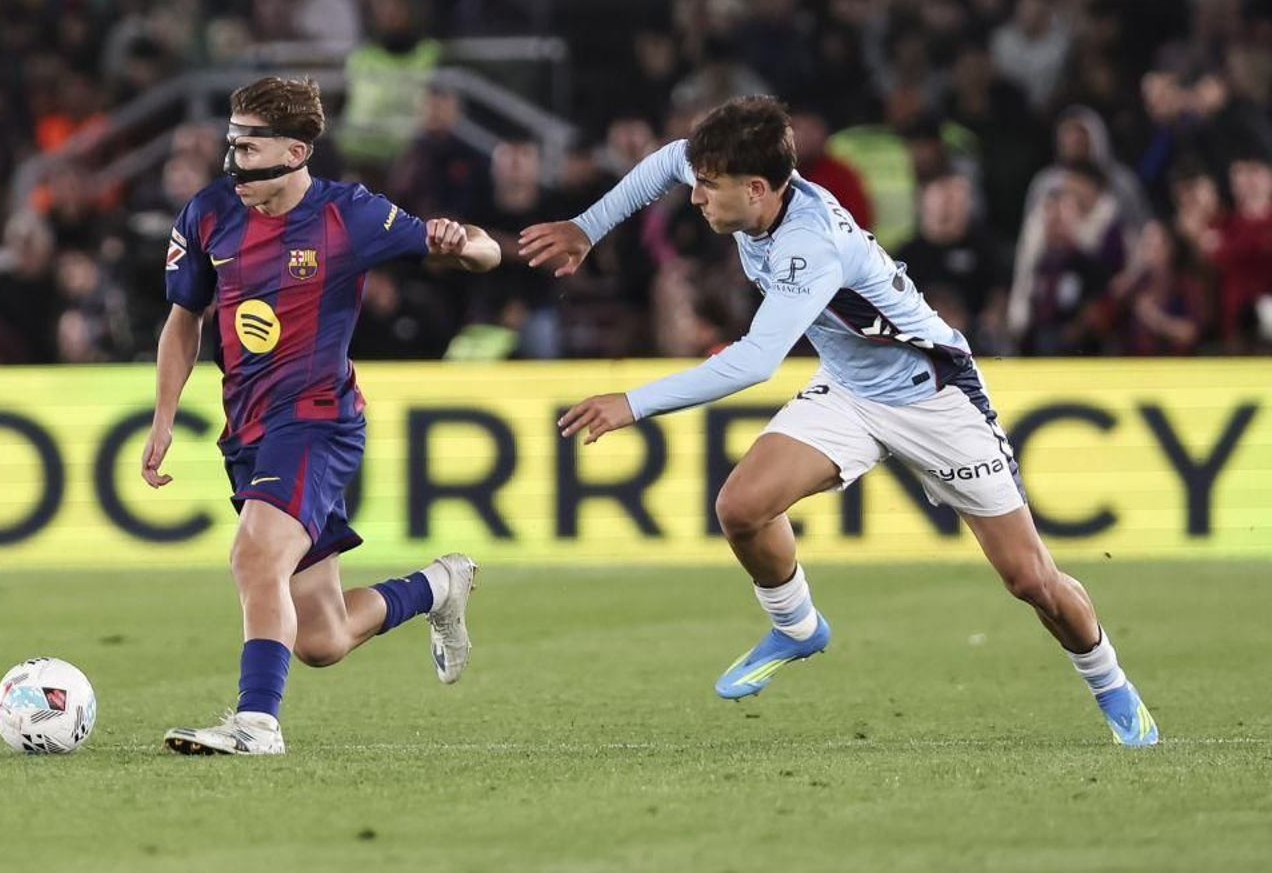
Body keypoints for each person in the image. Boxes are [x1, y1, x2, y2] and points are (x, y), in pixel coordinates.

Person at [518, 95, 1158, 746]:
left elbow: (755, 361)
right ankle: (798, 626)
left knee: (1031, 580)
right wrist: (586, 226)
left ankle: (1110, 681)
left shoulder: (809, 245)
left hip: (934, 396)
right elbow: (664, 164)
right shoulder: (737, 179)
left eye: (709, 188)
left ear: (758, 189)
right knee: (741, 507)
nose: (696, 197)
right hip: (851, 387)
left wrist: (633, 401)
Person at [142, 76, 500, 756]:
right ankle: (439, 584)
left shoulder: (350, 216)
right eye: (231, 143)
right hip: (247, 431)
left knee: (255, 555)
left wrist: (464, 244)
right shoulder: (208, 213)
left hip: (316, 422)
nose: (233, 162)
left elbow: (487, 251)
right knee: (322, 639)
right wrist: (164, 416)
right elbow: (183, 318)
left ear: (297, 151)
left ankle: (256, 722)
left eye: (249, 148)